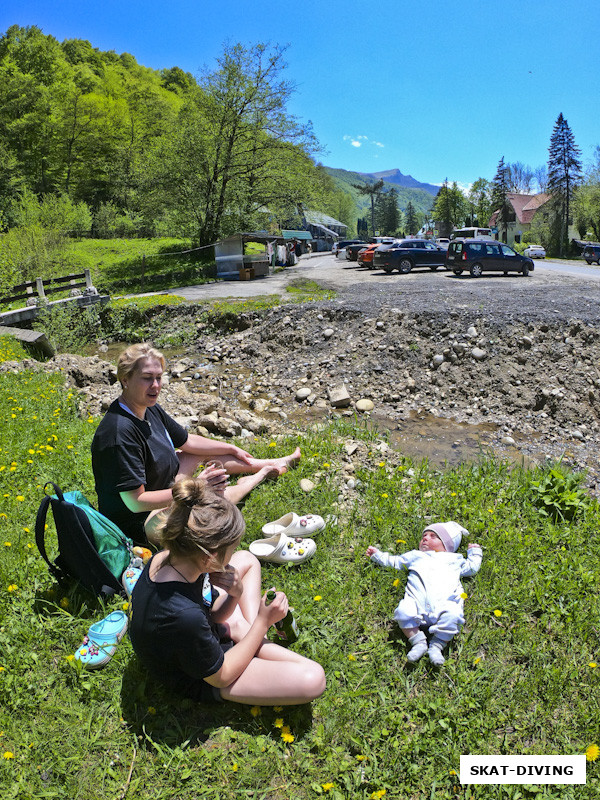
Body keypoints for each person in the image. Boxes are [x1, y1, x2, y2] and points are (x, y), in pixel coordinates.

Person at [128, 478, 326, 705]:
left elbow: (210, 615)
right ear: (209, 558)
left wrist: (235, 594)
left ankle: (247, 634)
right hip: (205, 675)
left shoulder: (167, 557)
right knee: (314, 678)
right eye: (230, 550)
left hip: (195, 635)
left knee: (247, 560)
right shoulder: (183, 616)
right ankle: (252, 634)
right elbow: (221, 677)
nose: (233, 555)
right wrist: (263, 620)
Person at [91, 343, 301, 544]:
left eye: (158, 377)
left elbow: (187, 441)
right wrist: (197, 487)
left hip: (164, 485)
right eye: (147, 378)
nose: (155, 386)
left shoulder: (148, 407)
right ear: (125, 379)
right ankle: (254, 479)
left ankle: (270, 462)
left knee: (192, 454)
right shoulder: (119, 434)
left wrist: (230, 447)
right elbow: (136, 502)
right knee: (208, 506)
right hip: (140, 523)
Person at [365, 522, 482, 665]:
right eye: (424, 536)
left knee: (454, 615)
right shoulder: (416, 556)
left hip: (445, 605)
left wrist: (474, 552)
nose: (425, 538)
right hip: (416, 603)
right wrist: (377, 555)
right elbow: (395, 561)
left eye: (433, 536)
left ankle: (437, 646)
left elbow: (471, 568)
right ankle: (418, 641)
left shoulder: (455, 559)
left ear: (448, 545)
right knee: (403, 611)